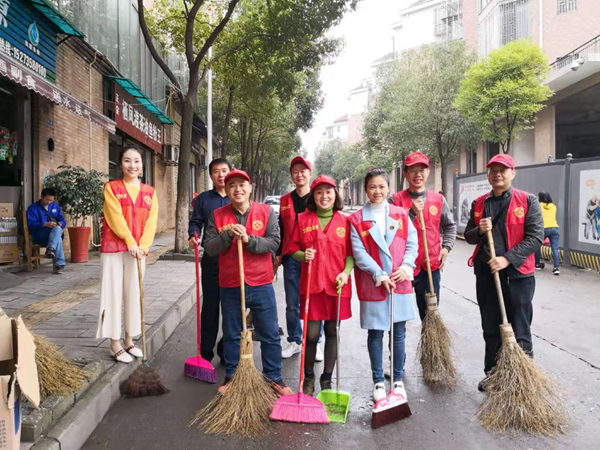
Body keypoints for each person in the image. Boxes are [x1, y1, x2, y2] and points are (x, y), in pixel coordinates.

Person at [203, 169, 292, 396]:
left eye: (242, 184)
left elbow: (274, 242)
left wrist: (248, 240)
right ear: (226, 189)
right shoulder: (218, 216)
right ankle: (232, 377)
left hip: (261, 282)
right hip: (231, 283)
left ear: (250, 188)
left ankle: (274, 377)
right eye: (232, 185)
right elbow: (210, 248)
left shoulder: (266, 212)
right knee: (232, 333)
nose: (238, 189)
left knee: (269, 333)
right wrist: (227, 236)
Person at [464, 153, 543, 392]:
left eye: (503, 170)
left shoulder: (527, 201)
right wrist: (479, 230)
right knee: (491, 327)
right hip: (487, 274)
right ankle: (493, 374)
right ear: (488, 175)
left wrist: (506, 259)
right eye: (493, 170)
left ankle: (522, 380)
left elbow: (535, 237)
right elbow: (468, 236)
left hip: (518, 275)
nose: (497, 174)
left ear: (512, 173)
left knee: (519, 327)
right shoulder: (479, 203)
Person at [349, 169, 418, 403]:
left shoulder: (401, 215)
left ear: (389, 188)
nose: (377, 191)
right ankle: (378, 380)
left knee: (398, 333)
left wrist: (406, 266)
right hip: (374, 283)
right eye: (372, 187)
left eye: (381, 186)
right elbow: (359, 253)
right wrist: (378, 274)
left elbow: (412, 244)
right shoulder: (357, 219)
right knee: (376, 333)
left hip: (399, 281)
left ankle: (397, 380)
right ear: (366, 189)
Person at [289, 175, 354, 396]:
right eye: (319, 192)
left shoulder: (345, 221)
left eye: (328, 192)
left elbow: (351, 254)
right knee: (311, 335)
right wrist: (302, 255)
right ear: (313, 196)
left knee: (332, 332)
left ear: (335, 194)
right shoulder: (302, 220)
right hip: (312, 286)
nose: (324, 196)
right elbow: (292, 248)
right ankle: (309, 377)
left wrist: (346, 273)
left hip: (337, 286)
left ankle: (327, 379)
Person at [96, 147, 159, 363]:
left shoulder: (150, 192)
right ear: (120, 164)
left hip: (138, 251)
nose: (132, 165)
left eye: (136, 161)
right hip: (114, 248)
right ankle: (114, 343)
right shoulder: (111, 188)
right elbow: (114, 218)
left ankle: (129, 339)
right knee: (112, 293)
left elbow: (151, 221)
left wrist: (144, 245)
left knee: (134, 293)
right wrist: (130, 241)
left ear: (142, 165)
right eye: (127, 160)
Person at [390, 151, 456, 322]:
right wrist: (411, 213)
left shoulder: (438, 199)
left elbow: (450, 226)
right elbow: (389, 231)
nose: (418, 174)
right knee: (397, 318)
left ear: (428, 172)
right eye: (413, 170)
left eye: (422, 170)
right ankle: (398, 341)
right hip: (400, 267)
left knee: (429, 316)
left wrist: (446, 248)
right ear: (405, 173)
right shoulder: (395, 201)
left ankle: (429, 340)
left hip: (429, 265)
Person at [274, 156, 324, 361]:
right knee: (292, 302)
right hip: (291, 257)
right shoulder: (285, 200)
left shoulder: (318, 197)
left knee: (315, 301)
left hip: (314, 256)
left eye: (303, 170)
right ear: (291, 175)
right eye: (295, 171)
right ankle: (295, 340)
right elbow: (281, 227)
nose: (299, 174)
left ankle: (315, 342)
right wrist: (278, 253)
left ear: (310, 173)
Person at [188, 158, 232, 365]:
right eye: (216, 171)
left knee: (232, 309)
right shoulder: (204, 199)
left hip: (234, 261)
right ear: (211, 175)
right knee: (210, 308)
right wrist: (193, 235)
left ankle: (226, 350)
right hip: (212, 259)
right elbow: (195, 222)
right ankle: (205, 354)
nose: (221, 175)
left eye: (224, 170)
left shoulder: (237, 195)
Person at [26, 188, 67, 274]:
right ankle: (59, 264)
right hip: (40, 236)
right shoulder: (33, 208)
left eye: (51, 200)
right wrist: (45, 224)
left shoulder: (55, 206)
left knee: (58, 229)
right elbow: (31, 225)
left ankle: (50, 249)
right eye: (47, 200)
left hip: (53, 234)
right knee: (58, 238)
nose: (49, 202)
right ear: (41, 197)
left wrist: (60, 223)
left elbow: (62, 220)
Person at [534, 192, 560, 275]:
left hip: (543, 229)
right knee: (555, 249)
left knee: (537, 246)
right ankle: (556, 268)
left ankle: (537, 265)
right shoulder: (553, 207)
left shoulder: (538, 206)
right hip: (554, 229)